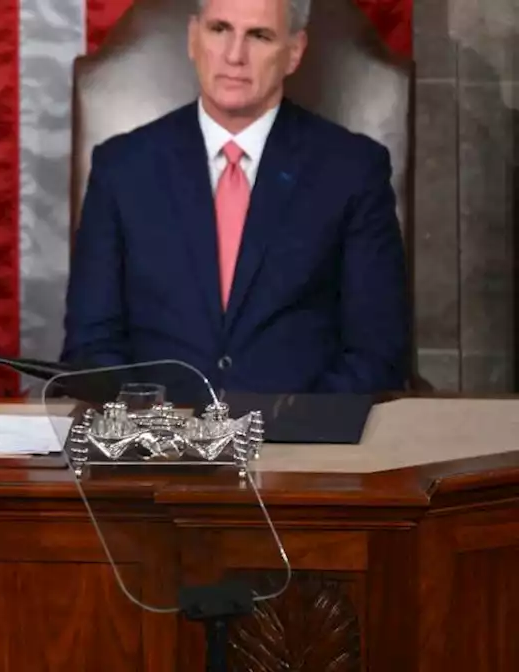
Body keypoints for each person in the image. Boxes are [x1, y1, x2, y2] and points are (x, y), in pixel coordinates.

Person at [61, 0, 411, 395]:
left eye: (259, 36)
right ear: (194, 39)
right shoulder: (121, 169)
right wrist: (156, 430)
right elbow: (91, 347)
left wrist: (295, 428)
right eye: (220, 30)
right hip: (157, 443)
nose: (234, 56)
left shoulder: (352, 170)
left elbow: (377, 352)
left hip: (302, 445)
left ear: (294, 52)